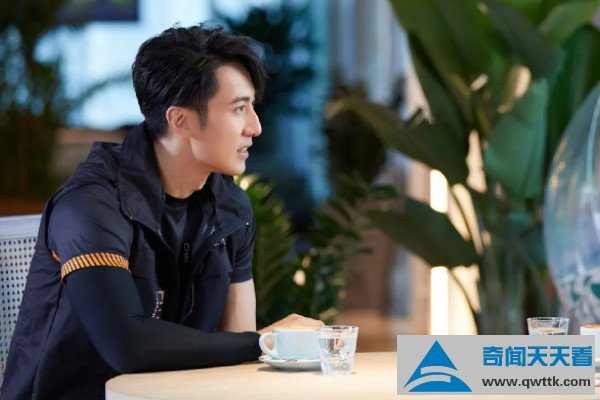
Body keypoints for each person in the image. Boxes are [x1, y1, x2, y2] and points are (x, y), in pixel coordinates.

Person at [1, 23, 323, 400]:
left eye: (252, 106)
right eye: (239, 109)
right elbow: (128, 346)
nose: (255, 126)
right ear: (180, 120)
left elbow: (239, 351)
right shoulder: (90, 205)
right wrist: (268, 342)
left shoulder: (231, 207)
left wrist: (262, 346)